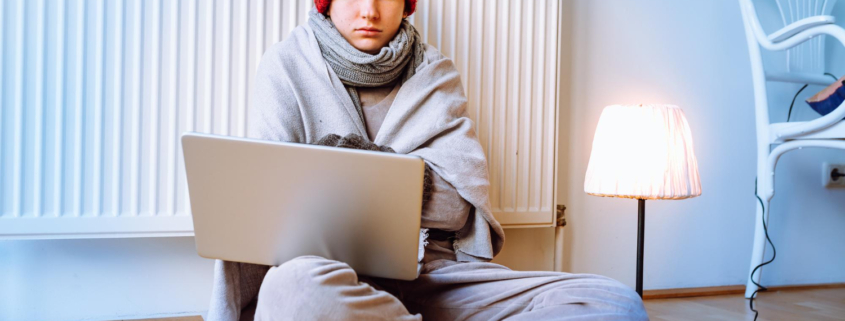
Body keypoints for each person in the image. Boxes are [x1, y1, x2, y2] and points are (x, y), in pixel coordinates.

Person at [206, 1, 648, 320]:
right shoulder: (285, 67)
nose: (369, 11)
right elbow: (269, 215)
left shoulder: (435, 73)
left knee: (614, 303)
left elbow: (457, 209)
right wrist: (400, 181)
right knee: (295, 290)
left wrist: (348, 175)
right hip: (328, 272)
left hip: (432, 273)